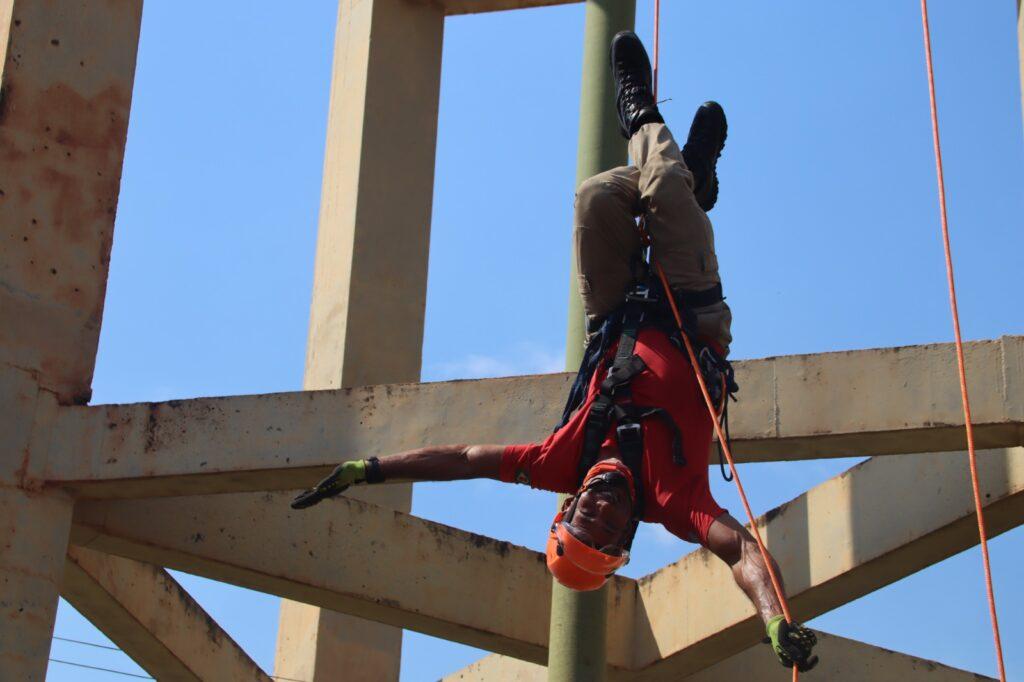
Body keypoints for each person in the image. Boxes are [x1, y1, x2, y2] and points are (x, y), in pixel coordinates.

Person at [292, 31, 818, 673]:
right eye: (603, 527)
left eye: (582, 516)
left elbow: (463, 461)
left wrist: (372, 469)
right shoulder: (676, 500)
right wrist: (773, 618)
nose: (597, 507)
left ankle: (684, 178)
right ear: (626, 533)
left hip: (616, 308)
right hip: (693, 312)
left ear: (567, 505)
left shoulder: (557, 462)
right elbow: (741, 552)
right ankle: (644, 118)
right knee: (665, 191)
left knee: (596, 197)